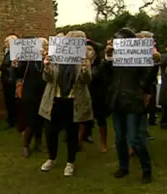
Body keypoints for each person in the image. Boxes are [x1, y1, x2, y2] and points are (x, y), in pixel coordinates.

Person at [99, 27, 154, 184]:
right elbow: (101, 75)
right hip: (117, 101)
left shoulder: (138, 56)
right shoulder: (113, 58)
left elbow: (147, 76)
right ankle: (123, 167)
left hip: (132, 101)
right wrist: (107, 59)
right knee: (119, 139)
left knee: (135, 138)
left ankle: (146, 170)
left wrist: (142, 90)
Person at [38, 30, 93, 177]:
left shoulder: (83, 58)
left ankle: (70, 162)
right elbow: (48, 78)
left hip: (72, 100)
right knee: (50, 131)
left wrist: (83, 68)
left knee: (72, 133)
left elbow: (86, 80)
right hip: (54, 99)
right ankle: (51, 158)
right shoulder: (56, 55)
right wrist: (47, 66)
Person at [14, 37, 49, 157]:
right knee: (30, 121)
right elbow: (18, 72)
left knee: (40, 120)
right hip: (30, 93)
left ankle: (38, 144)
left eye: (46, 46)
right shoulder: (28, 60)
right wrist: (16, 64)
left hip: (43, 93)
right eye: (42, 45)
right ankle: (26, 145)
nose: (44, 48)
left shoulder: (48, 59)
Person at [82, 39, 110, 152]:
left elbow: (95, 77)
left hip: (98, 96)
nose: (87, 51)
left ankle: (103, 144)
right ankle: (79, 141)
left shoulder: (101, 65)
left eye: (90, 49)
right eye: (85, 49)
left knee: (101, 120)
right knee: (82, 120)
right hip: (84, 95)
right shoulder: (80, 63)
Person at [0, 35, 19, 128]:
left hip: (10, 80)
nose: (5, 44)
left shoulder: (14, 52)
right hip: (7, 80)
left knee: (11, 101)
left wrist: (0, 67)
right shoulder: (8, 52)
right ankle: (11, 119)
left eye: (7, 42)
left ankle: (12, 121)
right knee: (9, 101)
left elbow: (8, 65)